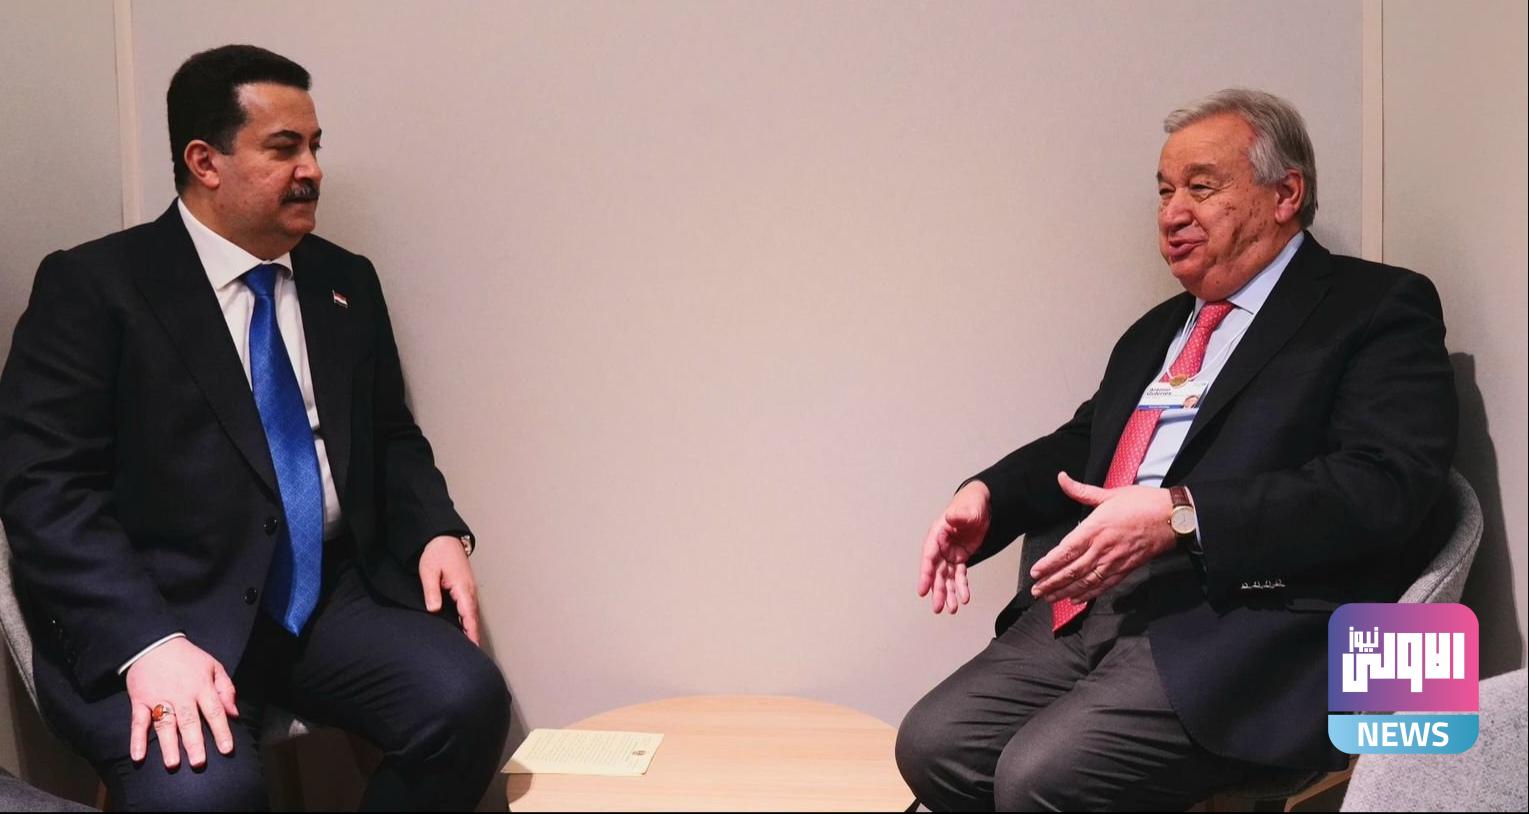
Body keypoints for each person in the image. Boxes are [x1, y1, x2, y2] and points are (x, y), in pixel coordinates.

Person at [895, 89, 1457, 811]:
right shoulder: (1156, 330)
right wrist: (987, 497)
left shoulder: (1375, 307)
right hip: (1105, 600)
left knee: (1039, 777)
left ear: (1285, 194)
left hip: (1254, 619)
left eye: (1201, 186)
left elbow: (1386, 486)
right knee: (935, 745)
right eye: (1164, 192)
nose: (1171, 213)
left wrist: (1181, 515)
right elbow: (1088, 441)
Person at [0, 44, 510, 811]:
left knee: (464, 702)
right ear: (204, 162)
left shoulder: (343, 280)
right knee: (205, 796)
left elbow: (387, 435)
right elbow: (44, 492)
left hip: (324, 598)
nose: (312, 170)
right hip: (164, 606)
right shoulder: (94, 286)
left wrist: (434, 528)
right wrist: (147, 643)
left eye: (315, 146)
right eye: (284, 148)